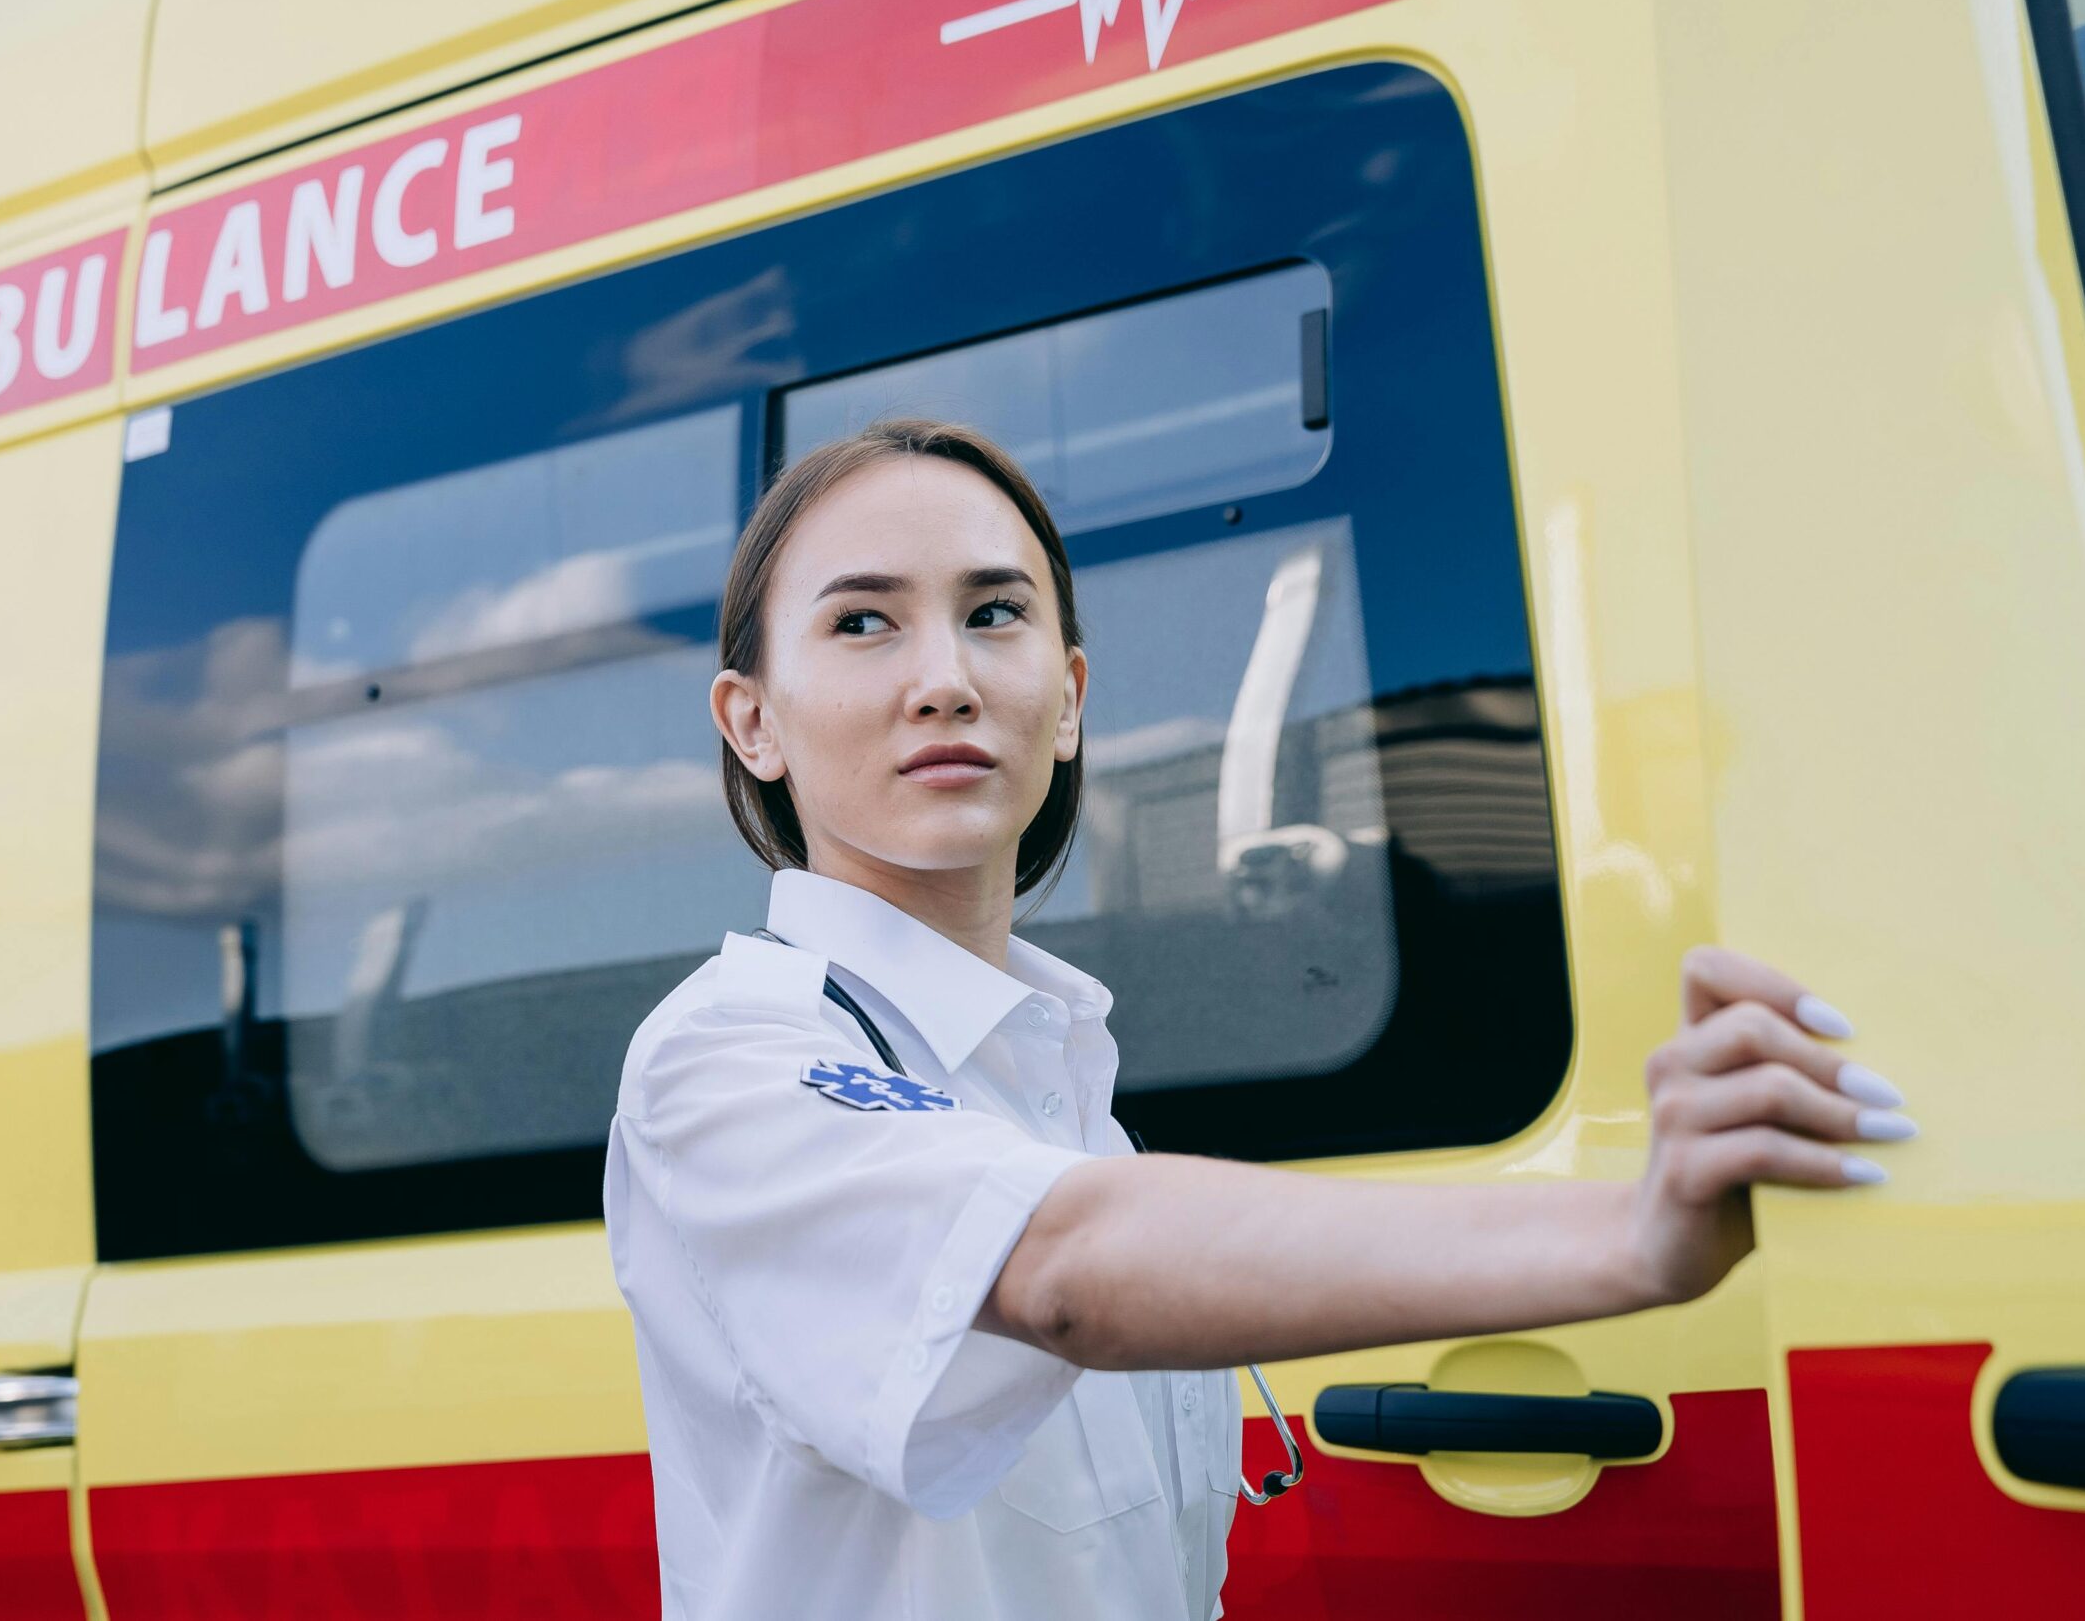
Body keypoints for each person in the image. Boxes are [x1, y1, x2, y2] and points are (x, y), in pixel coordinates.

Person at [601, 418, 1918, 1620]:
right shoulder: (730, 1054)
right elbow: (1061, 1271)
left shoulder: (1058, 1087)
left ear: (1066, 700)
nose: (944, 678)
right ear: (751, 723)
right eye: (863, 625)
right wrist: (1630, 1234)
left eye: (994, 613)